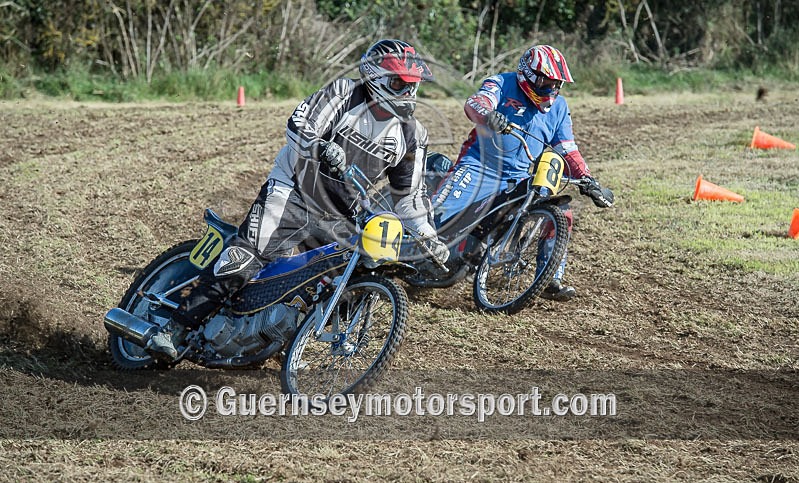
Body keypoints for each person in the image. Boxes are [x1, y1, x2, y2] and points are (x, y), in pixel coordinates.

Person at [146, 39, 449, 360]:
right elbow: (300, 125)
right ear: (374, 77)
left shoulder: (413, 134)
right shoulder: (345, 93)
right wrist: (320, 148)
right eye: (400, 83)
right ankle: (175, 327)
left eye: (413, 86)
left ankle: (282, 340)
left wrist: (431, 240)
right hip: (293, 189)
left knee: (352, 273)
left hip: (340, 211)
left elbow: (410, 197)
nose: (408, 94)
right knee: (247, 257)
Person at [432, 44, 614, 301]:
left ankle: (549, 276)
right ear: (526, 74)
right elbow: (475, 103)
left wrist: (589, 180)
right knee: (437, 219)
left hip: (516, 178)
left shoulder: (559, 108)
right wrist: (489, 115)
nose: (551, 89)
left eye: (556, 84)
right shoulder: (502, 83)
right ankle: (394, 256)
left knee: (562, 211)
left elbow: (568, 149)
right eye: (545, 82)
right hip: (479, 167)